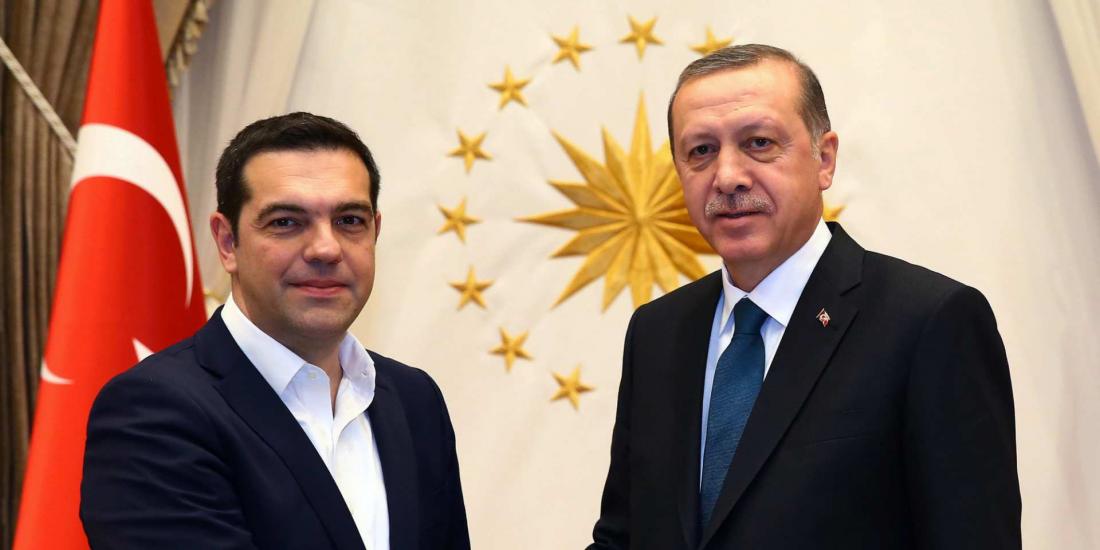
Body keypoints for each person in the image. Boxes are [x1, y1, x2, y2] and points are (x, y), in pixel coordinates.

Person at [589, 45, 1020, 549]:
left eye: (759, 142)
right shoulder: (657, 332)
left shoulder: (929, 323)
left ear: (824, 159)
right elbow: (623, 537)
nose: (727, 177)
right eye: (701, 150)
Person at [80, 112, 470, 550]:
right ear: (228, 242)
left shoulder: (415, 400)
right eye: (286, 222)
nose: (326, 248)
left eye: (349, 221)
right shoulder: (153, 412)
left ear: (375, 232)